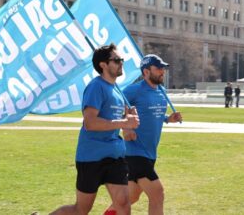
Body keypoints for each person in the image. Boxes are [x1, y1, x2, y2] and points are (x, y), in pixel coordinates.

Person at [50, 44, 139, 215]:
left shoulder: (117, 91)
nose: (121, 63)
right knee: (81, 210)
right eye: (117, 60)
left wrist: (129, 126)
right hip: (91, 157)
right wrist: (123, 122)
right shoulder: (96, 87)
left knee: (123, 203)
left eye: (122, 60)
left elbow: (123, 129)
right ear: (103, 65)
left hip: (114, 156)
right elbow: (90, 123)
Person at [104, 54, 182, 215]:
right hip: (134, 153)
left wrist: (168, 119)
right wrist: (126, 128)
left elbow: (153, 114)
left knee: (130, 197)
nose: (162, 71)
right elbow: (116, 109)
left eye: (163, 68)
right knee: (157, 194)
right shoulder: (133, 90)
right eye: (158, 68)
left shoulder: (162, 92)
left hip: (150, 153)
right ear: (146, 72)